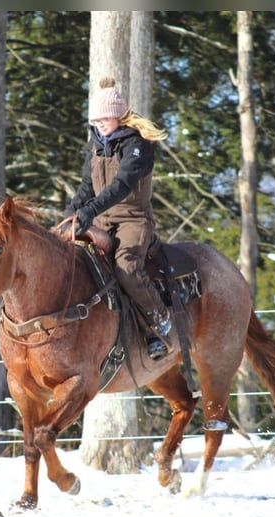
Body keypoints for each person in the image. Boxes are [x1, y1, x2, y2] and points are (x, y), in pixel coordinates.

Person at [60, 76, 171, 360]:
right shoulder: (95, 143)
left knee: (126, 267)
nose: (100, 125)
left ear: (118, 115)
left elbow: (120, 186)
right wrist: (70, 214)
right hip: (101, 220)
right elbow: (87, 186)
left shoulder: (137, 145)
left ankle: (158, 325)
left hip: (133, 219)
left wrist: (89, 212)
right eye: (96, 121)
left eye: (104, 120)